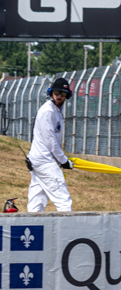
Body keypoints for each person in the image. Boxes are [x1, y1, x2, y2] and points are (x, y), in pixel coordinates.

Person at [26, 78, 74, 212]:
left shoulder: (57, 110)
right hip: (44, 161)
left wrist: (62, 160)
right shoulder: (48, 111)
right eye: (56, 93)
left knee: (37, 202)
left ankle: (32, 223)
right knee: (63, 200)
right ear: (51, 93)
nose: (59, 96)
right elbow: (50, 141)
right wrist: (63, 160)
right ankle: (68, 225)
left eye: (63, 94)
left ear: (67, 96)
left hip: (40, 160)